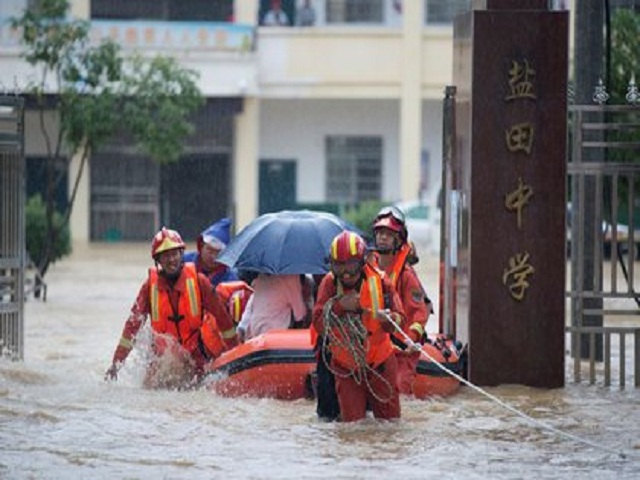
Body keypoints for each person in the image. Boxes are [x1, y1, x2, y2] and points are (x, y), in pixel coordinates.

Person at [104, 227, 239, 388]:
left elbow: (223, 319)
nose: (171, 260)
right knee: (150, 387)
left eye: (175, 254)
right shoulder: (149, 287)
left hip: (195, 361)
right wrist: (115, 365)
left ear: (181, 255)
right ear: (158, 260)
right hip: (162, 362)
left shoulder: (199, 281)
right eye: (166, 256)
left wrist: (235, 354)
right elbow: (131, 328)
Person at [312, 230, 406, 422]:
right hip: (347, 368)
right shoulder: (329, 284)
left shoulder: (381, 281)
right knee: (352, 427)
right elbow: (319, 323)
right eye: (339, 267)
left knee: (391, 424)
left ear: (362, 262)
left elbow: (400, 319)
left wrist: (389, 321)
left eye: (352, 266)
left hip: (380, 364)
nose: (346, 274)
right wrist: (339, 306)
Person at [369, 206, 433, 395]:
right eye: (380, 233)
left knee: (398, 390)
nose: (382, 237)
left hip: (402, 349)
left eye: (388, 234)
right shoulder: (369, 269)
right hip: (376, 345)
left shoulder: (406, 276)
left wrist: (409, 341)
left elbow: (419, 315)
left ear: (399, 239)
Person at [236, 273, 308, 341]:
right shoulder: (292, 278)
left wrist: (242, 326)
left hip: (254, 331)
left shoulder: (262, 276)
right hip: (276, 337)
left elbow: (252, 304)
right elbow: (300, 315)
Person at [183, 218, 239, 287]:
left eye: (218, 253)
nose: (213, 256)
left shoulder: (231, 279)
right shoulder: (183, 262)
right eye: (210, 250)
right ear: (202, 245)